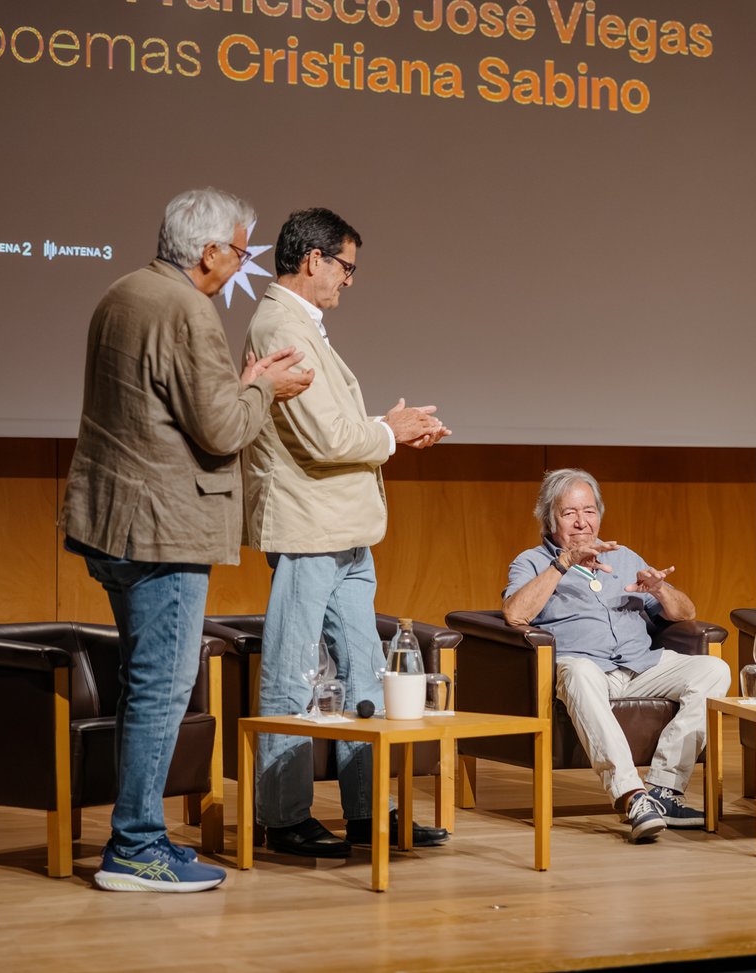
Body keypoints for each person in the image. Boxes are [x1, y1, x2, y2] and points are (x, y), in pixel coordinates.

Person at [61, 187, 313, 892]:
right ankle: (135, 847)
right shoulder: (187, 309)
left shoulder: (123, 292)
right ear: (208, 252)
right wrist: (265, 390)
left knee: (146, 683)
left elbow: (168, 406)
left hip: (115, 520)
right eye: (240, 252)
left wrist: (243, 383)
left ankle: (138, 836)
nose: (242, 264)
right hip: (162, 531)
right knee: (160, 688)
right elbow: (222, 429)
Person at [243, 207, 451, 858]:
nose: (349, 280)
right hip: (309, 526)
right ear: (314, 260)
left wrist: (391, 427)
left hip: (343, 526)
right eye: (346, 267)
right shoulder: (280, 325)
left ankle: (368, 813)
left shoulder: (302, 324)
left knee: (366, 670)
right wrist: (390, 431)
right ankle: (283, 818)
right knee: (293, 671)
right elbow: (325, 438)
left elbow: (332, 427)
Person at [502, 468, 731, 843]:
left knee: (714, 669)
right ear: (549, 519)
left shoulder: (624, 557)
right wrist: (564, 564)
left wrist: (659, 590)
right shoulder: (531, 562)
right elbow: (515, 614)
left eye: (589, 511)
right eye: (569, 513)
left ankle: (663, 790)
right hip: (586, 668)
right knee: (577, 671)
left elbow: (686, 613)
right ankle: (632, 796)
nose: (582, 522)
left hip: (642, 665)